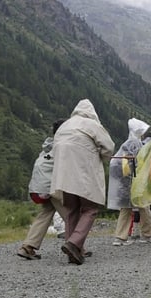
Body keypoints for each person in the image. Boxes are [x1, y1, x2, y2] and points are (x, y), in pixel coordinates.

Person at [51, 99, 115, 265]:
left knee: (72, 209)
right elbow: (108, 147)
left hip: (63, 175)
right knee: (90, 209)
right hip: (84, 172)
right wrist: (102, 155)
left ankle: (74, 251)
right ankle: (73, 243)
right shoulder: (91, 124)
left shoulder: (65, 126)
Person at [17, 118, 76, 260]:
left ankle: (28, 247)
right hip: (51, 187)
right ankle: (77, 247)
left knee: (45, 214)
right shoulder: (63, 146)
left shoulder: (48, 146)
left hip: (38, 187)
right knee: (71, 215)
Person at [108, 118, 151, 246]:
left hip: (126, 181)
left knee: (126, 208)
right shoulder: (136, 144)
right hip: (135, 180)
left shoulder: (126, 143)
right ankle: (147, 234)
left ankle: (120, 237)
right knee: (143, 207)